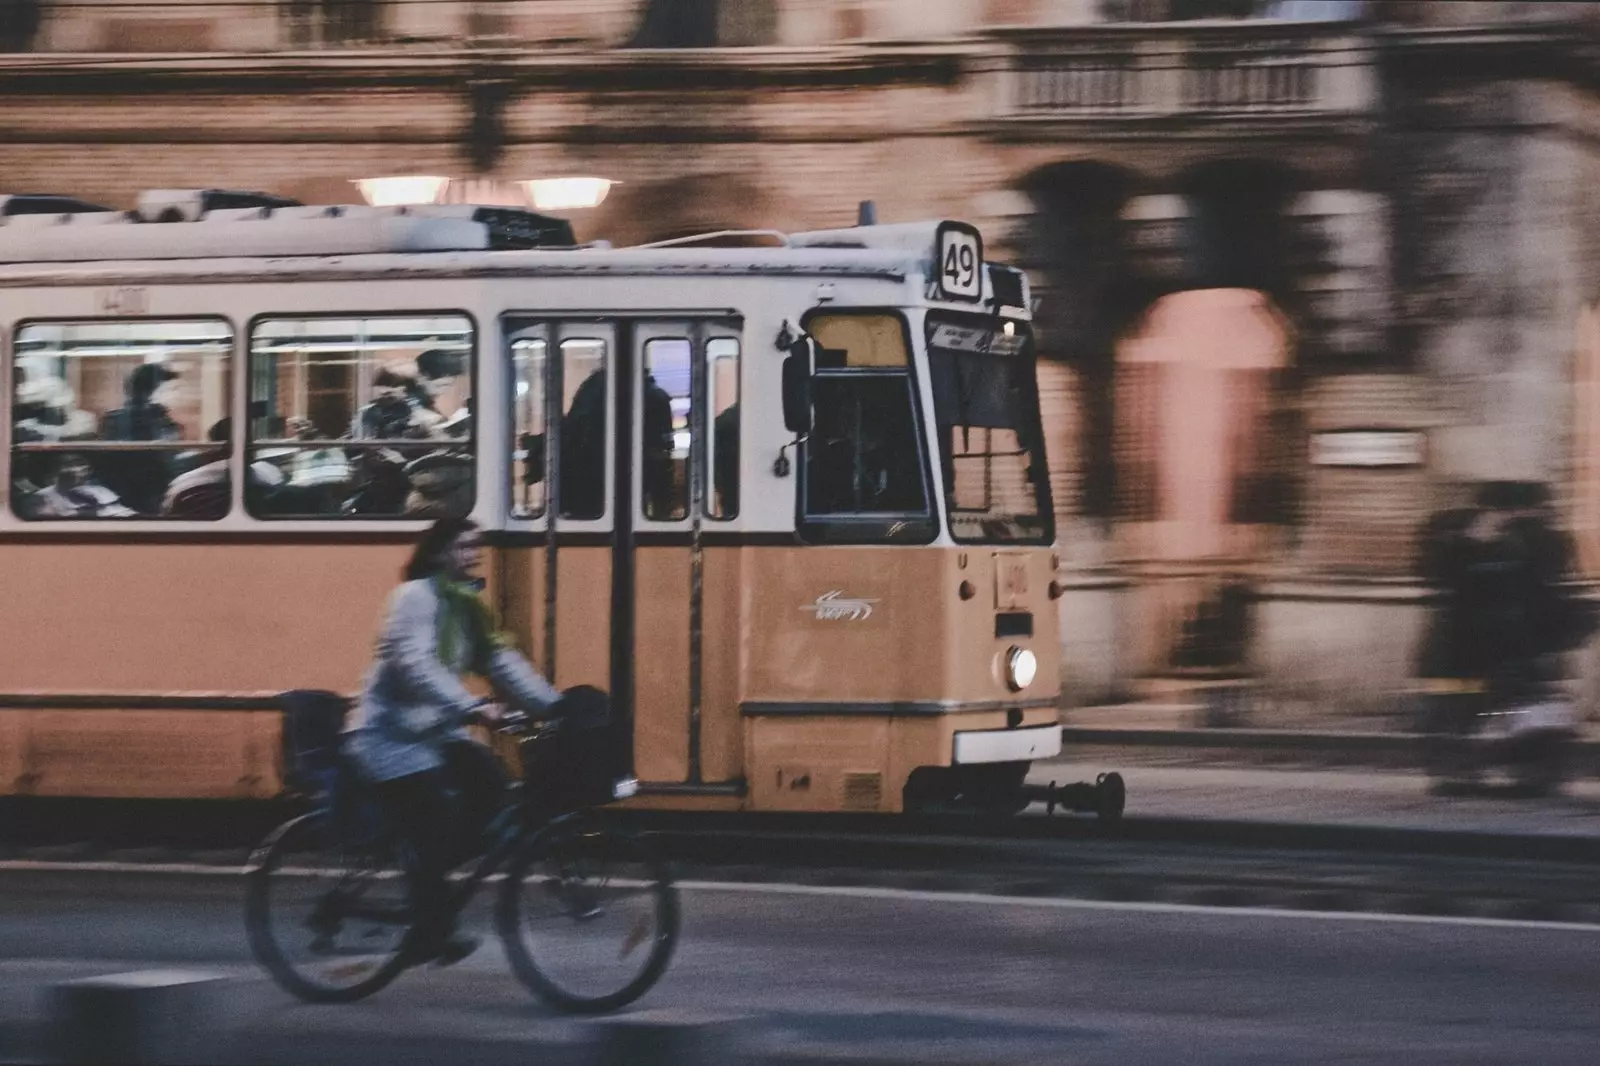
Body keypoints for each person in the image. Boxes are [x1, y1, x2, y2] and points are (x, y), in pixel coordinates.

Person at [342, 517, 562, 965]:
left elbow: (502, 662)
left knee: (492, 789)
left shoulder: (466, 604)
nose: (474, 554)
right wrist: (473, 707)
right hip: (389, 737)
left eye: (475, 547)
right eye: (464, 547)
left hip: (436, 733)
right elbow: (415, 666)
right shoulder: (414, 598)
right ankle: (427, 929)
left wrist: (556, 707)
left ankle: (430, 879)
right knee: (434, 820)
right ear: (440, 552)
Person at [100, 363, 183, 515]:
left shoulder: (113, 418)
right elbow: (163, 458)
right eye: (171, 389)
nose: (177, 395)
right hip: (143, 496)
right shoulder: (151, 421)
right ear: (152, 392)